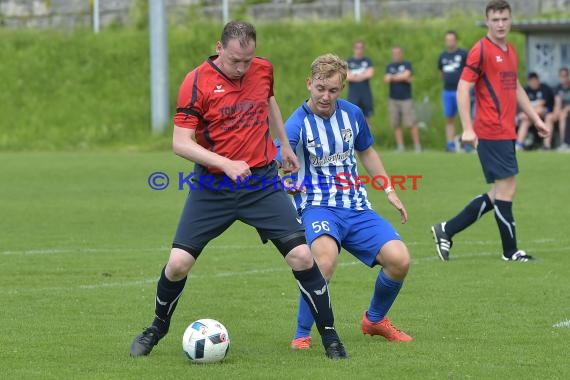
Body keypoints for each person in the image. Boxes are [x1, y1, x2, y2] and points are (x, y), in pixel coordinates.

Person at [129, 21, 347, 360]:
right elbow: (179, 143)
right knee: (177, 264)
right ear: (219, 47)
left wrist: (285, 147)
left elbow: (269, 102)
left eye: (247, 60)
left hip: (261, 183)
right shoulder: (196, 81)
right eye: (234, 61)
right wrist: (225, 163)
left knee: (302, 256)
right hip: (212, 186)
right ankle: (157, 326)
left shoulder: (262, 70)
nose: (242, 68)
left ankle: (330, 336)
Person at [275, 54, 413, 350]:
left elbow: (367, 152)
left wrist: (388, 189)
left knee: (399, 260)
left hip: (356, 207)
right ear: (309, 84)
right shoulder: (295, 125)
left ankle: (375, 320)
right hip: (318, 207)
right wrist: (289, 183)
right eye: (320, 88)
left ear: (342, 88)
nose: (326, 96)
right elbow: (279, 169)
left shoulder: (352, 114)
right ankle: (302, 333)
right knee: (323, 261)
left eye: (333, 90)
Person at [431, 0, 550, 262]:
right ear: (487, 21)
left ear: (510, 20)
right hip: (490, 130)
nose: (500, 24)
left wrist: (535, 118)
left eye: (504, 19)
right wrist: (467, 129)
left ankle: (446, 230)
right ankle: (510, 252)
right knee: (507, 189)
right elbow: (463, 88)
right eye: (495, 19)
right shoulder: (480, 50)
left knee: (499, 193)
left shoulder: (510, 49)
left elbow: (516, 86)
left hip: (507, 131)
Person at [384, 46, 422, 152]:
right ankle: (400, 146)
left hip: (406, 99)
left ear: (401, 54)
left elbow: (407, 75)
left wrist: (394, 77)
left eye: (398, 53)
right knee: (396, 123)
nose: (396, 55)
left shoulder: (407, 64)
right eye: (394, 53)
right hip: (393, 98)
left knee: (411, 122)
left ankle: (417, 146)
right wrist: (401, 78)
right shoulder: (390, 66)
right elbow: (386, 79)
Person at [437, 30, 468, 152]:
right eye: (447, 39)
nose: (450, 42)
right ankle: (450, 144)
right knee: (449, 118)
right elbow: (441, 73)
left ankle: (466, 142)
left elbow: (469, 70)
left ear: (456, 40)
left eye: (452, 39)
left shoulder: (463, 54)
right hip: (447, 91)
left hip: (461, 91)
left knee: (464, 117)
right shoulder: (442, 56)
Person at [515, 72, 554, 150]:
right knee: (525, 121)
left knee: (548, 116)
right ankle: (519, 144)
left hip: (545, 113)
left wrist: (527, 114)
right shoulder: (526, 90)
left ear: (538, 80)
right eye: (531, 81)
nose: (533, 83)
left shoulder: (544, 88)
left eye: (535, 81)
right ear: (528, 82)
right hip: (532, 116)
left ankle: (547, 145)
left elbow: (542, 105)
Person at [347, 40, 375, 127]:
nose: (359, 50)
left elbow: (370, 74)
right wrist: (363, 75)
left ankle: (368, 140)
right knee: (353, 118)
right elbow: (348, 76)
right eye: (357, 48)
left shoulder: (367, 61)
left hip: (366, 93)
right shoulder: (349, 61)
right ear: (353, 49)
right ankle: (356, 140)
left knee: (367, 119)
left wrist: (355, 75)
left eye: (361, 48)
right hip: (353, 94)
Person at [545, 67, 570, 151]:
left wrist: (566, 109)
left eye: (565, 76)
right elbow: (557, 102)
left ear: (568, 76)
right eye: (561, 76)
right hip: (561, 111)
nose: (563, 78)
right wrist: (556, 113)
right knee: (549, 117)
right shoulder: (557, 88)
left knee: (563, 115)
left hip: (567, 112)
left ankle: (564, 143)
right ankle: (546, 145)